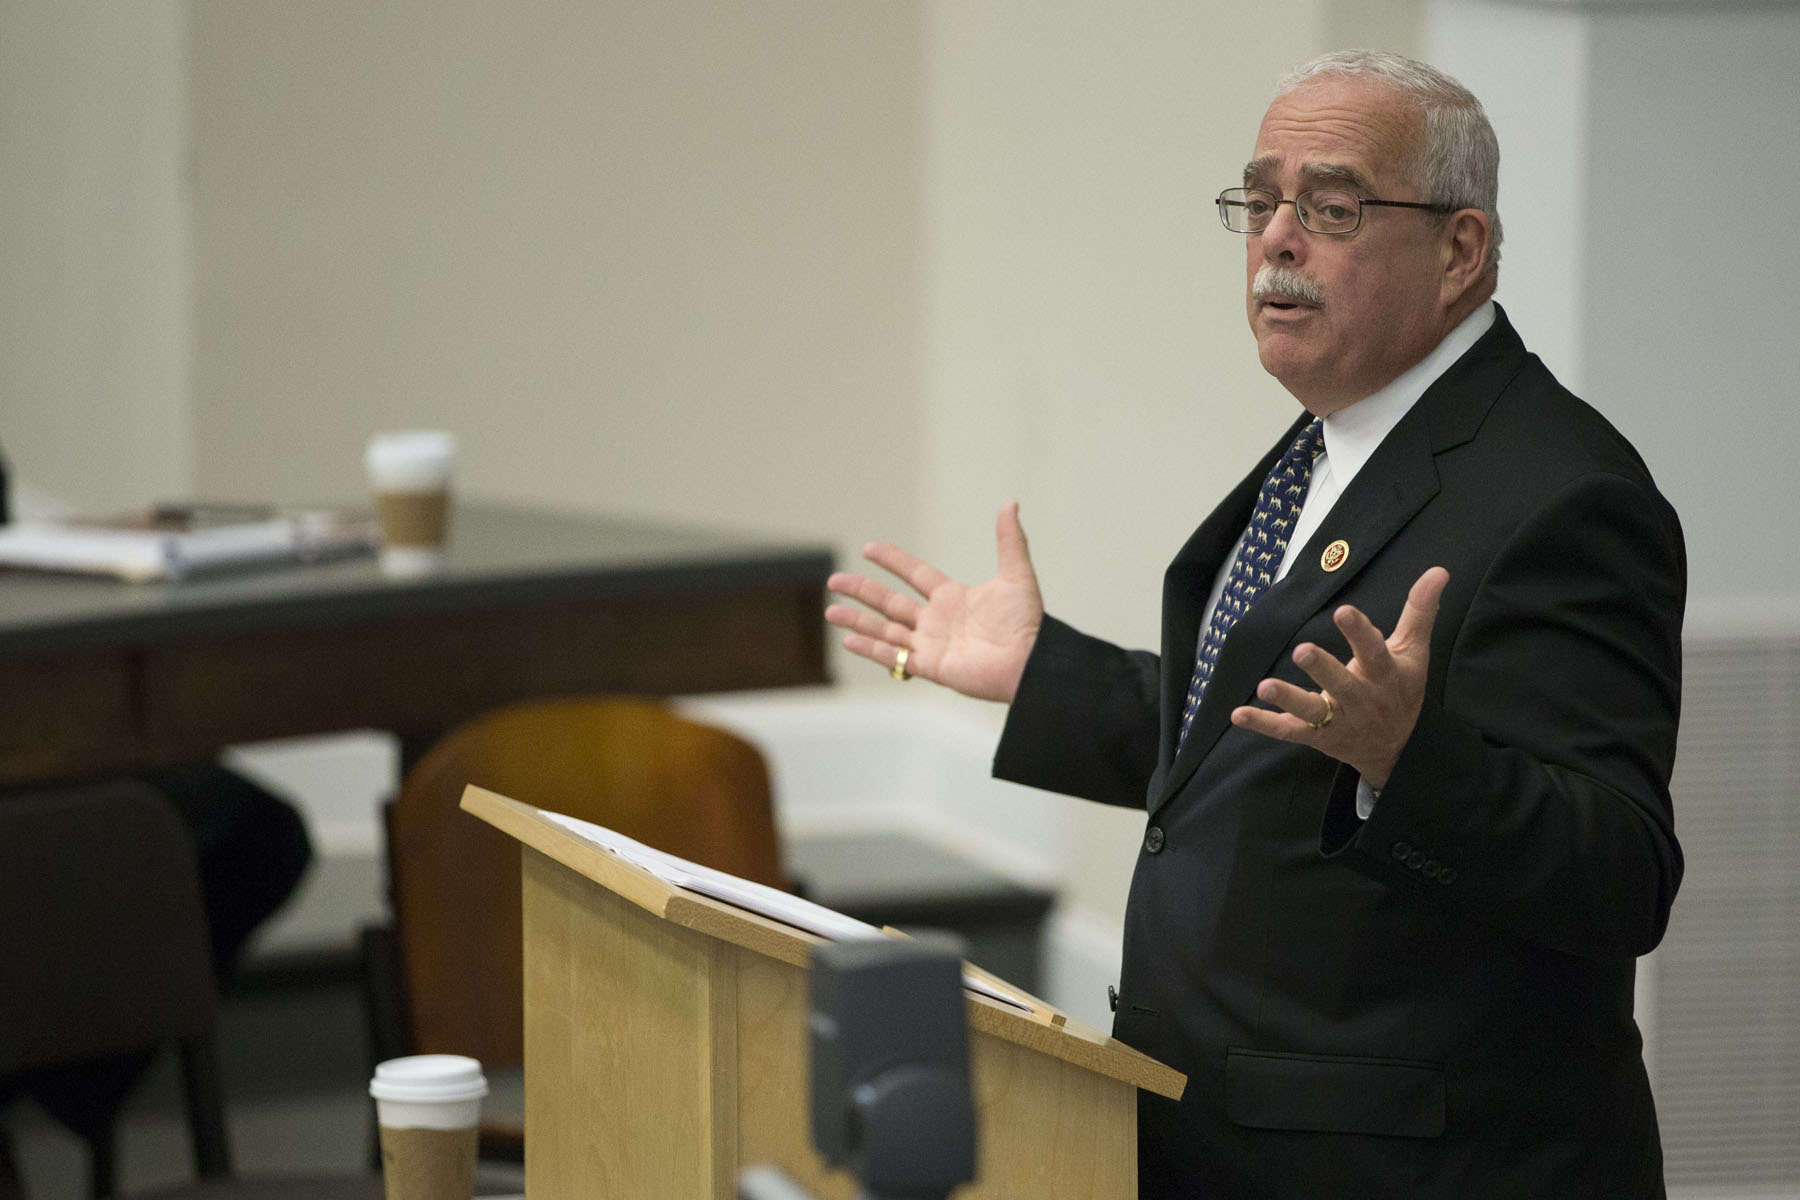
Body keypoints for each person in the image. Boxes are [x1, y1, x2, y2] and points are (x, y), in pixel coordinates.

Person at [825, 51, 1683, 1199]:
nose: (1277, 239)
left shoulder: (1565, 493)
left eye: (1331, 208)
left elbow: (1620, 875)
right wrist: (1044, 676)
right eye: (1260, 200)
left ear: (1460, 249)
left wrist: (1407, 763)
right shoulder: (1339, 439)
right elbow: (1268, 731)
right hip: (1233, 1139)